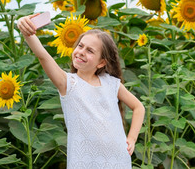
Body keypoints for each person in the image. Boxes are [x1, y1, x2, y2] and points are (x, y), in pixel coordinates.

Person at [17, 13, 145, 169]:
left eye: (90, 51)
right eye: (80, 46)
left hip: (118, 161)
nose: (82, 51)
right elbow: (43, 56)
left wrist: (131, 138)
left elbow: (139, 107)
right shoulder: (68, 83)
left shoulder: (111, 84)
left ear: (101, 63)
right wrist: (26, 32)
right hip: (84, 162)